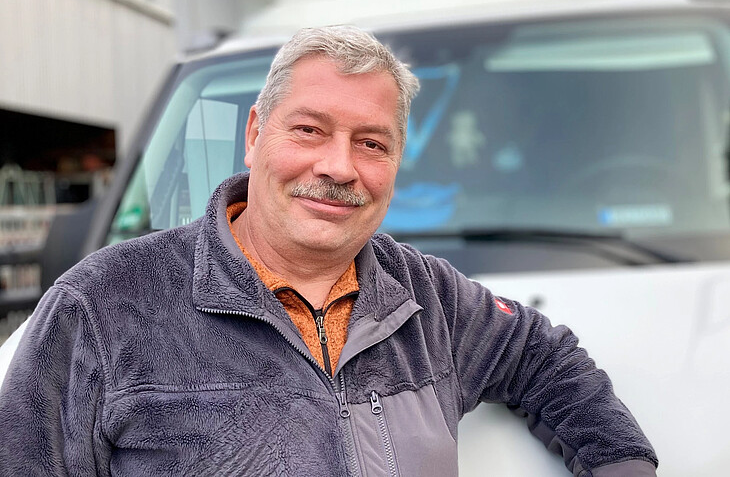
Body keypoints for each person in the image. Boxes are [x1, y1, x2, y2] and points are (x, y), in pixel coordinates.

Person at [0, 26, 658, 476]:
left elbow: (546, 358)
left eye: (371, 144)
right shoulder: (101, 307)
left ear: (396, 164)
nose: (339, 167)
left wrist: (621, 463)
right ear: (255, 134)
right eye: (310, 130)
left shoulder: (429, 299)